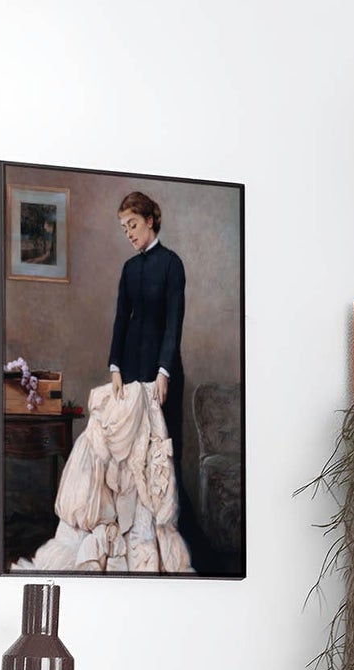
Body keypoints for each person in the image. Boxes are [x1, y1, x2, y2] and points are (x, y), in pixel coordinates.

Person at [107, 190, 206, 568]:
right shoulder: (129, 269)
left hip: (163, 370)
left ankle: (169, 541)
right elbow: (121, 319)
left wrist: (164, 370)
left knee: (163, 452)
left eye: (132, 224)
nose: (128, 233)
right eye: (123, 228)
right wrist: (115, 366)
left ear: (150, 220)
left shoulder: (172, 264)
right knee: (131, 454)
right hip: (130, 369)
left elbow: (174, 322)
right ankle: (135, 538)